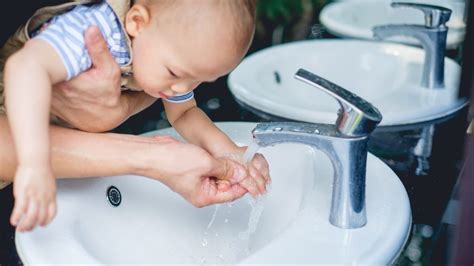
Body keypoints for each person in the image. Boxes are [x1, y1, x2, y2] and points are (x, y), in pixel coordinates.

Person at [1, 0, 270, 232]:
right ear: (137, 22)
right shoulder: (93, 28)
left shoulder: (172, 49)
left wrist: (230, 153)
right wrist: (34, 164)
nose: (183, 88)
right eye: (176, 74)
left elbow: (185, 113)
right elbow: (25, 67)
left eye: (200, 80)